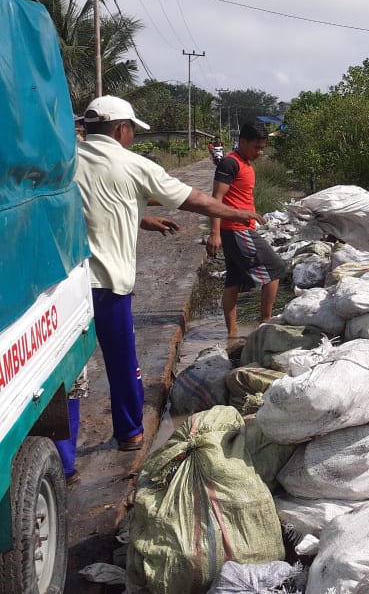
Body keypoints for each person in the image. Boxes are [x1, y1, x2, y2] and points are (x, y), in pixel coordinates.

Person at [74, 95, 262, 453]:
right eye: (131, 131)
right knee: (122, 362)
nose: (132, 138)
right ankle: (130, 435)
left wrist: (142, 220)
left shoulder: (64, 161)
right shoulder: (132, 164)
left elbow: (92, 205)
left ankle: (65, 464)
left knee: (68, 379)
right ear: (120, 129)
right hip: (108, 284)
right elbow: (195, 200)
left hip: (67, 287)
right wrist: (237, 214)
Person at [206, 122, 285, 338]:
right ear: (242, 142)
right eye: (256, 148)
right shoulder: (230, 164)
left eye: (262, 148)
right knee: (275, 268)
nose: (259, 152)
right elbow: (216, 199)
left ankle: (232, 334)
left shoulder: (245, 163)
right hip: (237, 229)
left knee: (234, 280)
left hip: (239, 229)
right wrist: (214, 233)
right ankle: (264, 323)